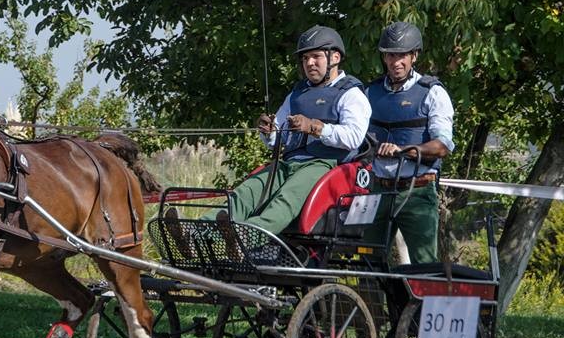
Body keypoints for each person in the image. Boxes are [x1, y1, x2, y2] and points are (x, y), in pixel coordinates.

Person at [170, 25, 371, 236]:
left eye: (315, 56)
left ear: (335, 57)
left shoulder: (350, 93)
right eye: (305, 59)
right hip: (288, 163)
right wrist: (269, 131)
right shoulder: (297, 93)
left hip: (325, 165)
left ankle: (246, 237)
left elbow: (354, 138)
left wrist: (314, 127)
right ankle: (195, 233)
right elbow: (277, 139)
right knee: (247, 190)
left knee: (286, 198)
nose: (309, 63)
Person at [364, 21, 455, 264]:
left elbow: (442, 146)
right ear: (384, 57)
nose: (396, 62)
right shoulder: (369, 93)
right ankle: (370, 303)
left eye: (402, 55)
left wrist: (403, 151)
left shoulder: (432, 92)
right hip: (378, 190)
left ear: (414, 56)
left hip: (417, 190)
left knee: (424, 264)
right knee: (366, 261)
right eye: (391, 55)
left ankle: (422, 303)